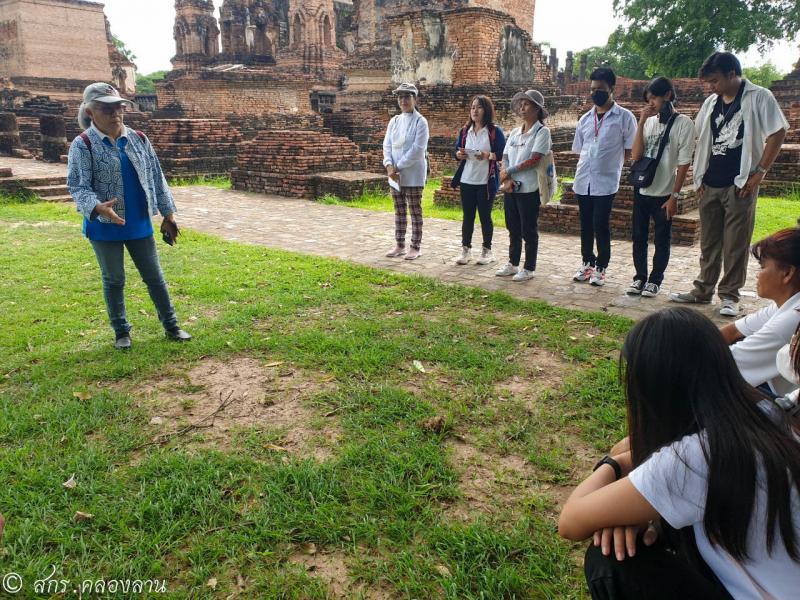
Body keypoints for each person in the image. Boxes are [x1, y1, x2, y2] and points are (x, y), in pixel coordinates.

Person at [559, 307, 800, 599]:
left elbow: (571, 521)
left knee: (610, 560)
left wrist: (613, 464)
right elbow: (628, 445)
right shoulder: (761, 411)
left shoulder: (696, 458)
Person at [67, 83, 191, 350]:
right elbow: (77, 185)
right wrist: (98, 207)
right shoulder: (83, 144)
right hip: (104, 224)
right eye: (105, 108)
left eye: (118, 107)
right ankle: (121, 331)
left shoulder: (139, 139)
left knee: (154, 277)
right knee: (114, 279)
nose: (115, 113)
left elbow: (156, 177)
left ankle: (171, 325)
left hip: (138, 220)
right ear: (90, 112)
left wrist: (167, 214)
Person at [671, 52, 789, 317]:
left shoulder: (759, 96)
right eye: (708, 82)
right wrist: (699, 176)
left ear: (732, 74)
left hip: (740, 183)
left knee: (735, 242)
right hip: (710, 182)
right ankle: (703, 290)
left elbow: (778, 132)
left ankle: (729, 296)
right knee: (709, 242)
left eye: (714, 80)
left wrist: (760, 171)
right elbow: (702, 138)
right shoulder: (712, 102)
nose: (711, 87)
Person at [627, 77, 695, 298]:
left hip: (665, 192)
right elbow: (635, 155)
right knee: (638, 236)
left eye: (654, 98)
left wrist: (675, 196)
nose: (652, 103)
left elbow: (684, 163)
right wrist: (640, 122)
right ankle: (639, 277)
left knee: (662, 239)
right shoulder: (649, 122)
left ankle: (655, 280)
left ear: (667, 95)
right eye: (649, 99)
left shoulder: (683, 123)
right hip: (643, 189)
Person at [571, 68, 637, 286]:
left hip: (606, 181)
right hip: (584, 179)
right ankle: (587, 262)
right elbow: (580, 149)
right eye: (592, 89)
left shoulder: (624, 117)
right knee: (586, 225)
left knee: (601, 224)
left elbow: (630, 150)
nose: (595, 93)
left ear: (611, 89)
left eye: (600, 89)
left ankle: (601, 266)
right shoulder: (585, 119)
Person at [720, 228, 800, 397]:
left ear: (787, 273)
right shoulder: (784, 304)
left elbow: (726, 364)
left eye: (763, 267)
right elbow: (733, 331)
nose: (757, 275)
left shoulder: (792, 318)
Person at [495, 90, 552, 282]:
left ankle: (529, 267)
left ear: (537, 109)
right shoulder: (514, 132)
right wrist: (505, 176)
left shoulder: (542, 132)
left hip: (529, 187)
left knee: (528, 228)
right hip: (511, 187)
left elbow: (535, 159)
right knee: (513, 227)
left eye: (526, 104)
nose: (522, 107)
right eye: (521, 104)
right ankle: (513, 263)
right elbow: (505, 156)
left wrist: (510, 171)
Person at [450, 95, 506, 266]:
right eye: (473, 107)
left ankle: (487, 251)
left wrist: (487, 155)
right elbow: (457, 151)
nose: (475, 110)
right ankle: (465, 250)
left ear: (486, 110)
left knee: (484, 216)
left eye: (479, 107)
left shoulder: (494, 132)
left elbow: (503, 154)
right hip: (467, 179)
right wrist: (458, 154)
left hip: (485, 182)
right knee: (468, 216)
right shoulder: (465, 130)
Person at [382, 82, 430, 261]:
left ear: (414, 99)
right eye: (400, 97)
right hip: (394, 174)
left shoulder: (420, 121)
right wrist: (388, 166)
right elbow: (387, 145)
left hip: (413, 173)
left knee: (414, 210)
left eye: (407, 97)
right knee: (399, 210)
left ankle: (415, 246)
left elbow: (417, 150)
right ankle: (399, 244)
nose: (403, 100)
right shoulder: (394, 121)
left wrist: (398, 167)